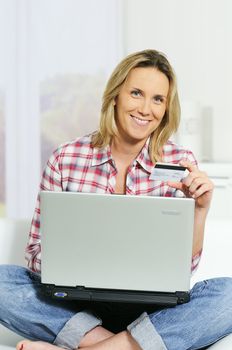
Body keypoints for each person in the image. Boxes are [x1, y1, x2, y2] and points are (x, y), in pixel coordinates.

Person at [0, 49, 232, 350]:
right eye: (136, 93)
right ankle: (119, 345)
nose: (146, 109)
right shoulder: (66, 158)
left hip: (152, 310)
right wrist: (76, 263)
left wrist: (200, 210)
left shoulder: (180, 161)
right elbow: (33, 252)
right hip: (78, 306)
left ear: (166, 108)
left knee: (228, 294)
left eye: (158, 99)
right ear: (116, 96)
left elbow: (182, 269)